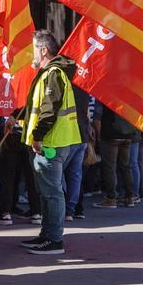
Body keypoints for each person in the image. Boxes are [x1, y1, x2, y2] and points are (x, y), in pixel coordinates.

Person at [19, 30, 82, 255]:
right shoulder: (53, 72)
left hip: (50, 142)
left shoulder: (52, 74)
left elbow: (48, 110)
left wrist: (37, 136)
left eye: (34, 49)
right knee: (49, 192)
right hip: (54, 140)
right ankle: (47, 235)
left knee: (52, 193)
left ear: (43, 50)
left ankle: (53, 239)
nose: (32, 54)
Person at [93, 101, 137, 208]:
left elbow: (97, 119)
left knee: (110, 167)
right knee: (126, 167)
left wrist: (99, 137)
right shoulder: (127, 95)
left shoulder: (104, 96)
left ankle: (111, 198)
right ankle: (130, 197)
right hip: (127, 135)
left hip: (110, 135)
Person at [61, 85, 93, 219]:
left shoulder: (65, 86)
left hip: (69, 135)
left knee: (57, 171)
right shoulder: (84, 88)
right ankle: (72, 208)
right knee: (75, 174)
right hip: (82, 134)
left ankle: (63, 206)